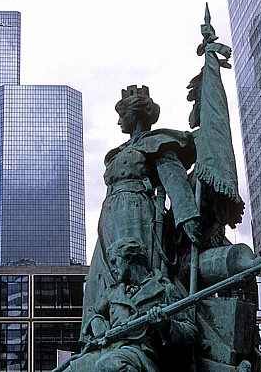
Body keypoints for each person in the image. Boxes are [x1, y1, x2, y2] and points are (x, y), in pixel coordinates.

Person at [82, 85, 201, 337]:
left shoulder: (156, 143)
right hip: (110, 217)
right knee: (102, 275)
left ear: (135, 115)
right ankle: (102, 323)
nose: (118, 121)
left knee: (134, 266)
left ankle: (140, 324)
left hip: (137, 215)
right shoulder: (118, 153)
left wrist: (186, 216)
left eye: (122, 115)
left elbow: (174, 179)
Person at [70, 238, 197, 371]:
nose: (113, 269)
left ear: (128, 258)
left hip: (142, 355)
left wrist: (166, 324)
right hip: (108, 349)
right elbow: (93, 311)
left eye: (114, 262)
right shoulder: (112, 293)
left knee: (110, 364)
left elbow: (190, 333)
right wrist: (96, 321)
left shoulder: (165, 289)